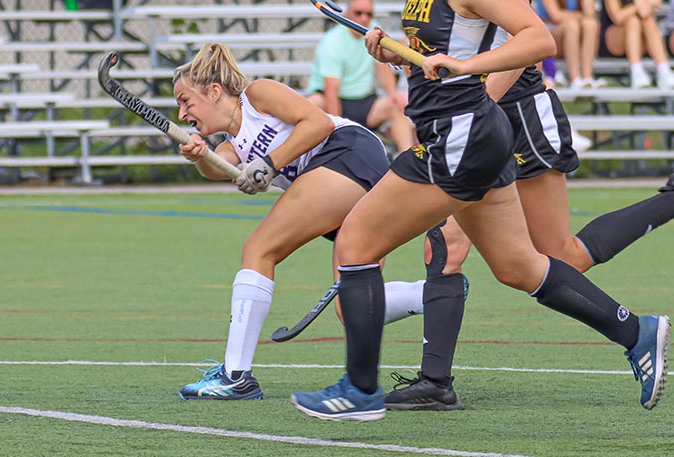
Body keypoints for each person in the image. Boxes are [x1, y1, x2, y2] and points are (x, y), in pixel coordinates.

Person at [291, 0, 670, 421]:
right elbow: (441, 51)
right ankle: (637, 332)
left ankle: (361, 391)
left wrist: (468, 69)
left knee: (356, 242)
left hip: (459, 136)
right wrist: (397, 52)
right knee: (517, 266)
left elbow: (538, 38)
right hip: (463, 132)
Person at [381, 25, 674, 412]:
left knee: (559, 257)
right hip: (471, 122)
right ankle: (435, 382)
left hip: (517, 118)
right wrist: (403, 56)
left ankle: (640, 320)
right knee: (460, 247)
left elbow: (529, 42)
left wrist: (469, 110)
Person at [171, 42, 434, 400]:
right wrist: (198, 155)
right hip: (352, 173)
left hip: (347, 152)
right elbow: (216, 167)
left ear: (214, 91)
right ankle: (437, 294)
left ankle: (235, 376)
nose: (184, 114)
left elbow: (318, 123)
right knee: (352, 303)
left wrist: (271, 163)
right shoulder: (233, 146)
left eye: (186, 101)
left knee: (259, 249)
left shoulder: (257, 95)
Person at [306, 0, 416, 154]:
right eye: (358, 13)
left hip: (364, 101)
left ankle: (408, 157)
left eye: (369, 14)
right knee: (312, 103)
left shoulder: (373, 31)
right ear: (347, 14)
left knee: (397, 104)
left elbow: (382, 67)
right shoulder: (332, 41)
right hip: (333, 101)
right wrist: (339, 130)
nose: (364, 18)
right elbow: (331, 91)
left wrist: (392, 94)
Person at [599, 0, 674, 88]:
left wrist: (638, 6)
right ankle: (636, 71)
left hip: (640, 41)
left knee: (648, 21)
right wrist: (638, 5)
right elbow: (618, 17)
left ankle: (663, 70)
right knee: (633, 21)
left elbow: (645, 12)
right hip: (614, 40)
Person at [535, 0, 604, 89]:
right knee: (572, 25)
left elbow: (590, 14)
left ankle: (587, 77)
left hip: (574, 35)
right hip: (551, 35)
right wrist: (582, 16)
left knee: (591, 24)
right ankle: (575, 79)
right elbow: (556, 16)